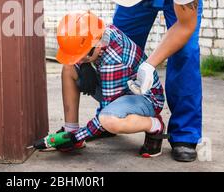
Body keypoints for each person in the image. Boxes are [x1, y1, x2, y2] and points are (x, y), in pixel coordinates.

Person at [15, 0, 204, 162]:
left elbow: (184, 27)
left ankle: (185, 134)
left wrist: (150, 64)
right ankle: (116, 114)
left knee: (185, 54)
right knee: (120, 45)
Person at [50, 11, 165, 158]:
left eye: (81, 57)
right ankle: (70, 129)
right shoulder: (99, 33)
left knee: (108, 120)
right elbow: (82, 54)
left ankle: (154, 125)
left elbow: (104, 114)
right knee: (69, 67)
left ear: (97, 47)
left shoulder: (114, 60)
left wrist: (76, 138)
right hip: (123, 88)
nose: (78, 60)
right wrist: (85, 65)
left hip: (147, 99)